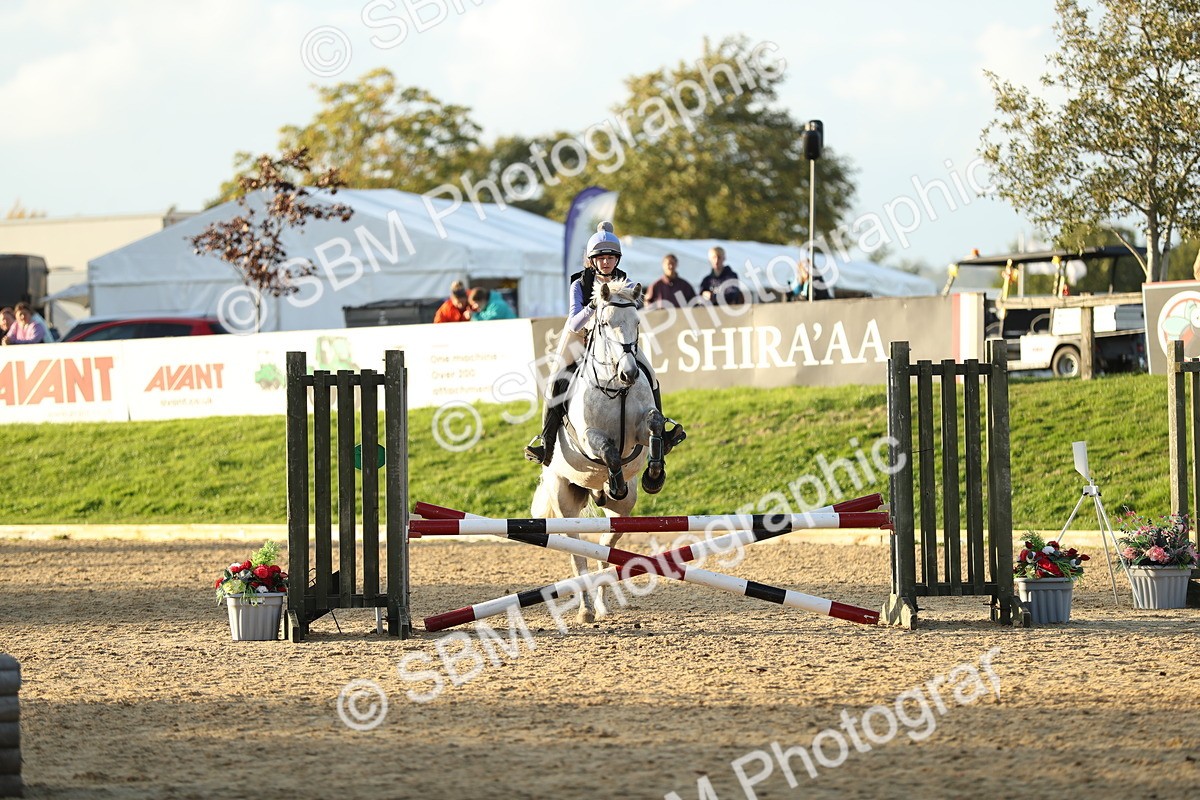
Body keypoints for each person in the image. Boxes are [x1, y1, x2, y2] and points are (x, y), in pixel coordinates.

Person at [524, 221, 686, 465]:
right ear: (592, 260)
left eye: (611, 257)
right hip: (582, 337)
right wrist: (593, 305)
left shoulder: (627, 282)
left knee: (650, 375)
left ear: (617, 259)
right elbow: (575, 323)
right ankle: (546, 444)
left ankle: (660, 433)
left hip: (617, 342)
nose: (606, 262)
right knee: (555, 381)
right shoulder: (580, 283)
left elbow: (631, 309)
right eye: (601, 258)